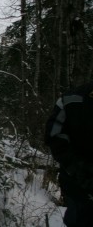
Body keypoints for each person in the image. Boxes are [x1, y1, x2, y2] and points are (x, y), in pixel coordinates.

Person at [45, 82, 93, 226]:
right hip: (79, 188)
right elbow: (55, 138)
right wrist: (80, 172)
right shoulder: (71, 99)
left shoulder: (70, 98)